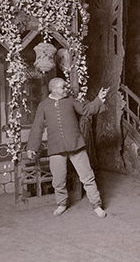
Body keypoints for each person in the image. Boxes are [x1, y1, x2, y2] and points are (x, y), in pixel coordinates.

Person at [26, 77, 110, 218]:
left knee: (87, 176)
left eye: (66, 86)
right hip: (56, 147)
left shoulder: (71, 101)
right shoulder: (43, 105)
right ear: (53, 89)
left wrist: (99, 99)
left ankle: (96, 204)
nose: (67, 89)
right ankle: (62, 204)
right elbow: (37, 127)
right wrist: (31, 147)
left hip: (76, 144)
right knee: (58, 180)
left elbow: (87, 109)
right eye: (63, 87)